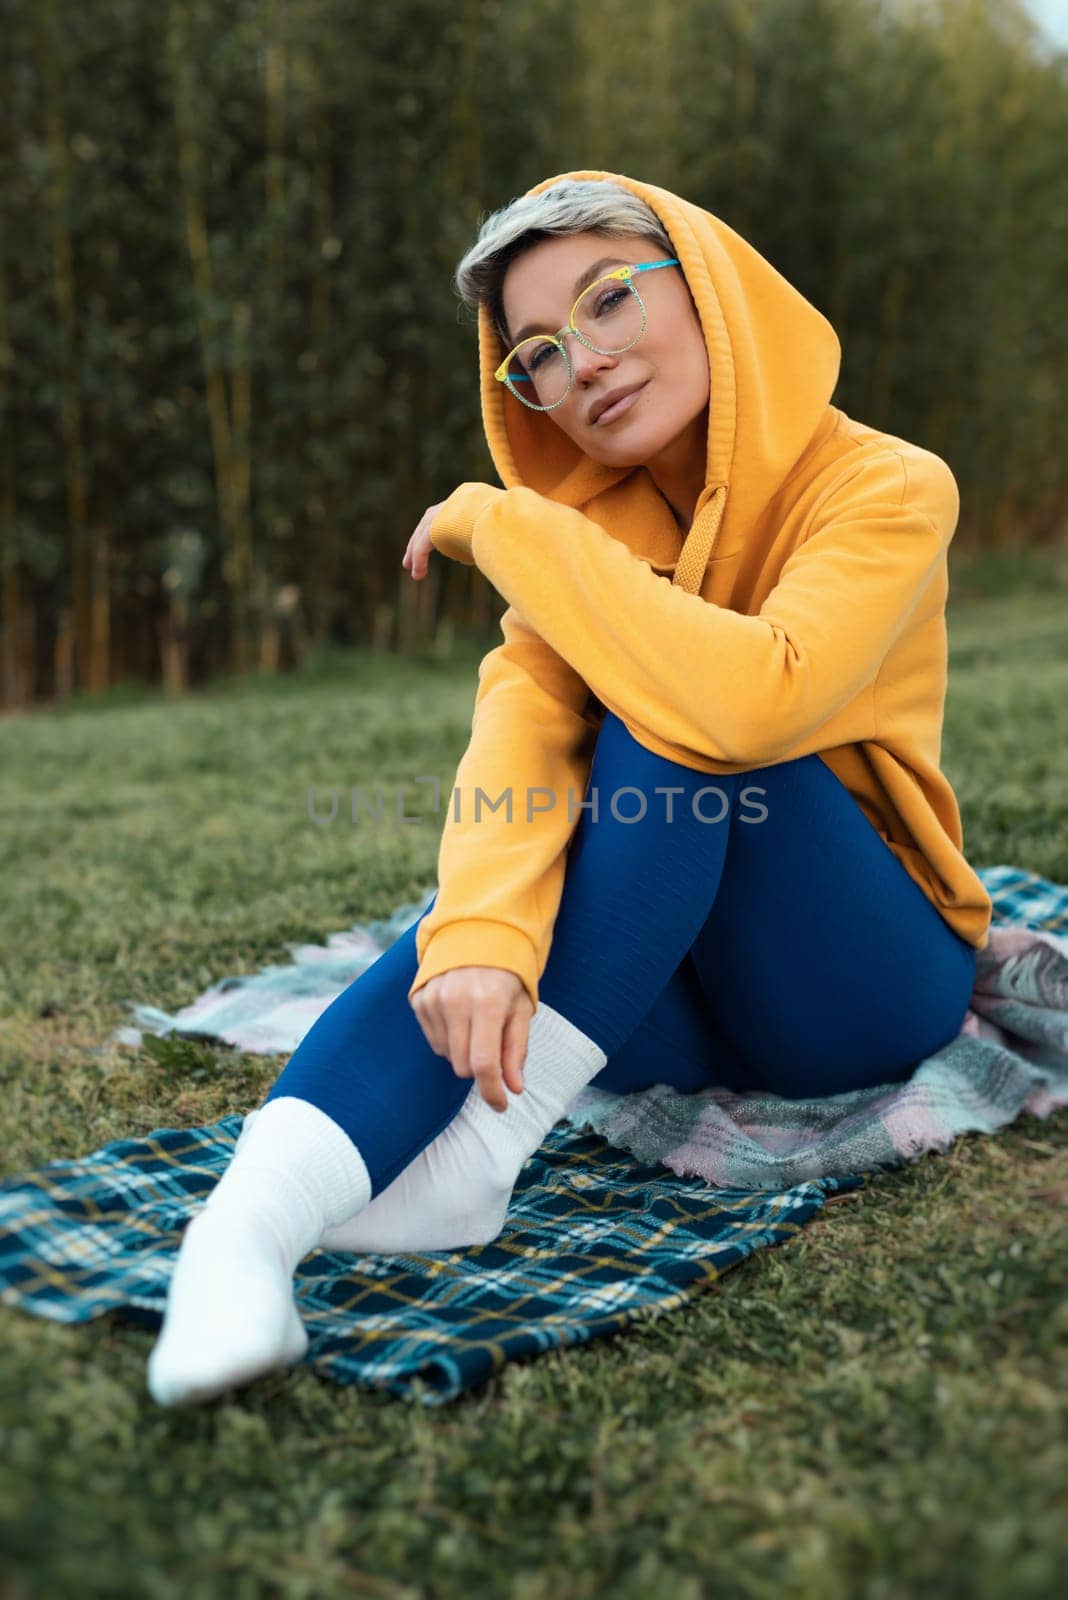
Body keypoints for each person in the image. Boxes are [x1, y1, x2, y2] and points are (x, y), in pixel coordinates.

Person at [147, 170, 992, 1408]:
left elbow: (758, 697)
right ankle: (238, 1243)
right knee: (487, 910)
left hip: (861, 984)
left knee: (670, 713)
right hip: (676, 1004)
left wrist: (512, 530)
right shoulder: (586, 538)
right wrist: (481, 938)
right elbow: (520, 740)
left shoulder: (885, 484)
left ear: (704, 290)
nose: (581, 362)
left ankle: (485, 1149)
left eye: (608, 302)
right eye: (537, 352)